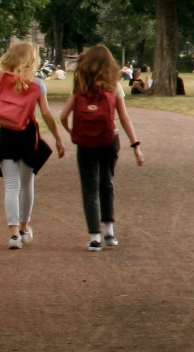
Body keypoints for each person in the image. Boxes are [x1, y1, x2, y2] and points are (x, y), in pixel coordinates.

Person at [0, 40, 65, 250]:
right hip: (28, 136)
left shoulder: (1, 82)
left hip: (7, 135)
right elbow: (45, 114)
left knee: (11, 186)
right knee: (27, 184)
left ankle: (13, 234)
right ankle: (25, 228)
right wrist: (58, 139)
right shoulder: (37, 84)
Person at [57, 46, 146, 251]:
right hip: (108, 139)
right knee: (106, 183)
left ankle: (94, 237)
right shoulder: (113, 86)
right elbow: (124, 117)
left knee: (89, 187)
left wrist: (73, 133)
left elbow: (62, 116)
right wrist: (135, 146)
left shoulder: (80, 85)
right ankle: (109, 232)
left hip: (85, 142)